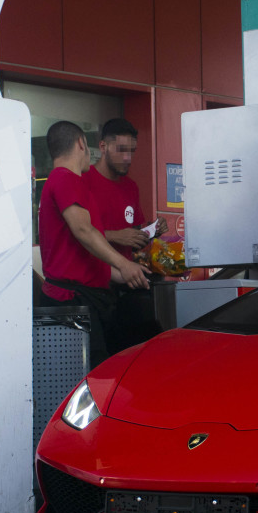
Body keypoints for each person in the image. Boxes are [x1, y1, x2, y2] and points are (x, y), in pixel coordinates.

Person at [39, 120, 149, 364]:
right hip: (71, 301)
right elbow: (84, 231)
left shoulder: (70, 182)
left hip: (86, 297)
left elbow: (83, 253)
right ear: (81, 143)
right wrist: (124, 263)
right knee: (89, 378)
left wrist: (127, 274)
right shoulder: (64, 178)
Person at [84, 118, 167, 353]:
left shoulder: (130, 186)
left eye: (131, 151)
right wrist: (114, 236)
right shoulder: (84, 181)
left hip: (126, 291)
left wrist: (150, 231)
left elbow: (134, 237)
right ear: (103, 147)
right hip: (93, 288)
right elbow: (78, 232)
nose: (128, 158)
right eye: (121, 150)